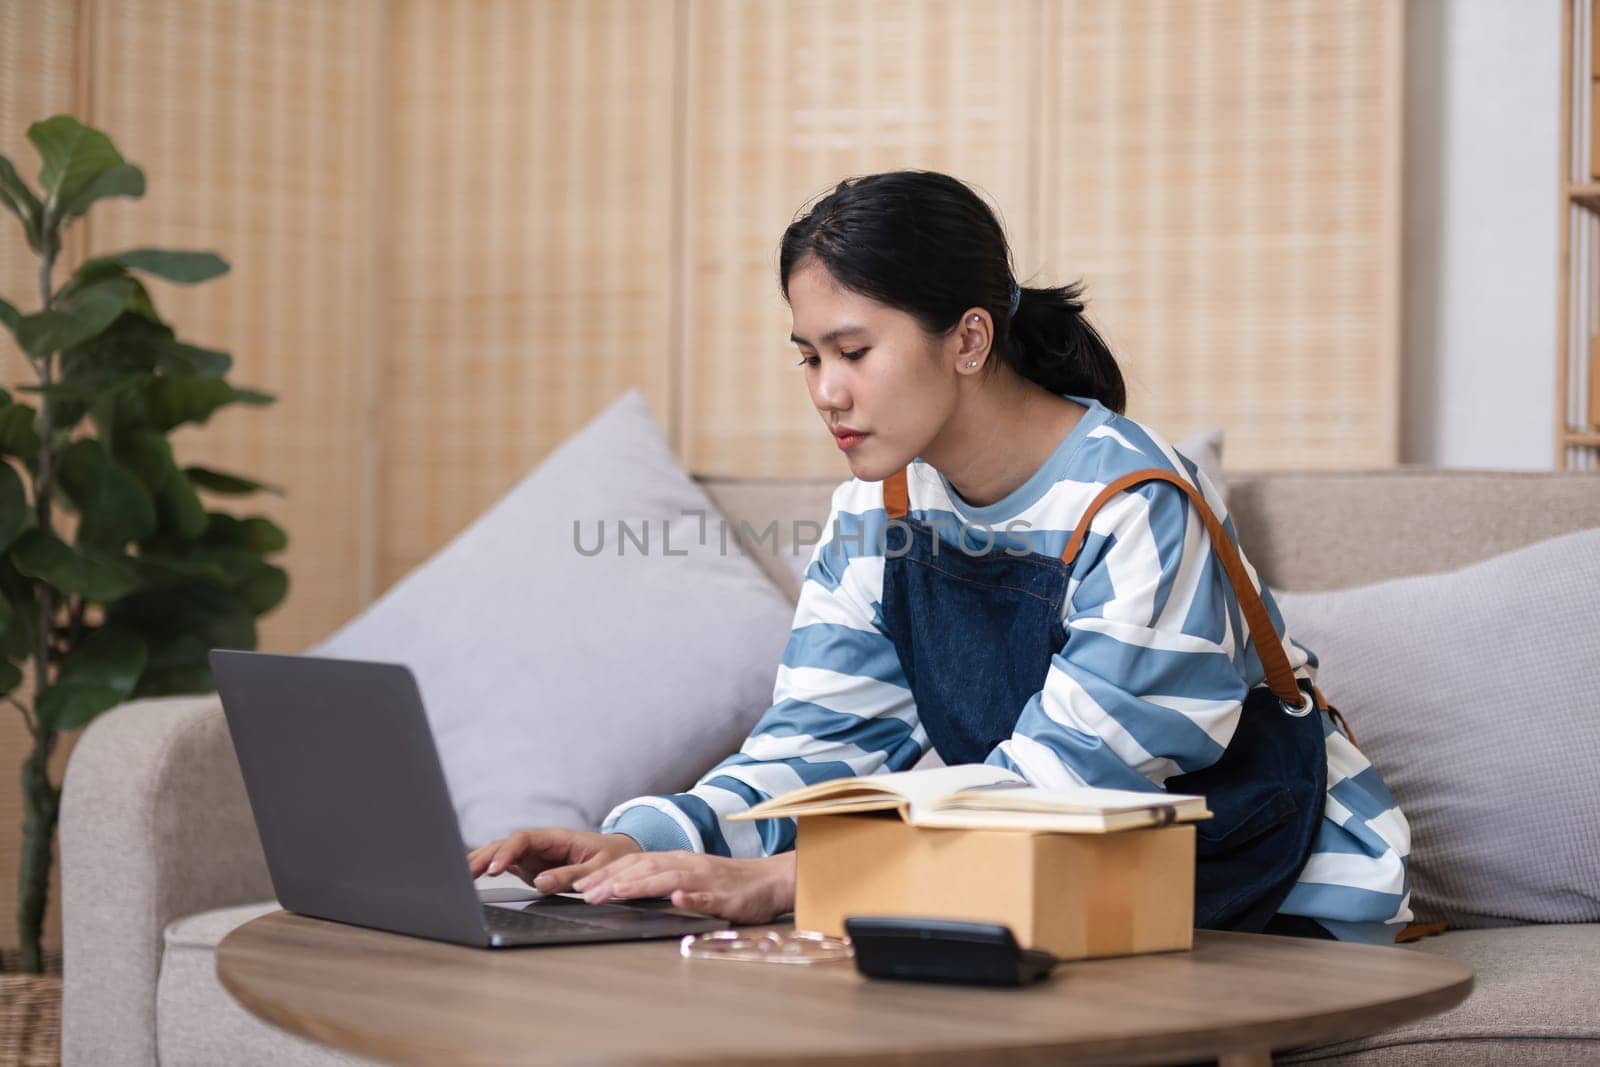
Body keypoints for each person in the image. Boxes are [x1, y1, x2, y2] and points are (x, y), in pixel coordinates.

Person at [468, 170, 1413, 943]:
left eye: (854, 350)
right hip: (1051, 888)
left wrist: (784, 879)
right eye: (808, 357)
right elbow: (819, 745)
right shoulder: (878, 509)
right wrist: (632, 838)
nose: (828, 392)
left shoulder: (1134, 505)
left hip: (1275, 905)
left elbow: (1064, 793)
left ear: (968, 338)